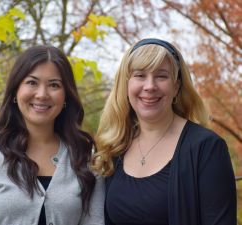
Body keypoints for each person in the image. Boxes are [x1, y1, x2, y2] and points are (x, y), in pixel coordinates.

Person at [0, 45, 105, 225]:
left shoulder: (84, 158)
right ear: (16, 90)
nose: (42, 94)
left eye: (54, 85)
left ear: (66, 96)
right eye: (32, 82)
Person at [92, 38, 236, 225]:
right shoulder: (116, 147)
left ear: (176, 87)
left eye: (161, 76)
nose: (150, 86)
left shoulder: (207, 148)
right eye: (140, 75)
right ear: (126, 85)